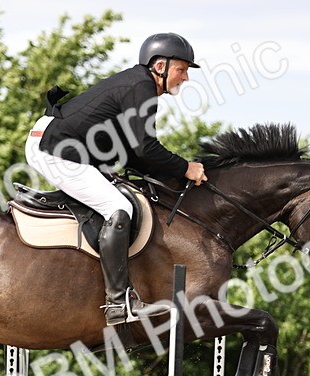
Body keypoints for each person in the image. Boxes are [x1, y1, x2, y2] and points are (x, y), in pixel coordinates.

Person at [25, 33, 208, 326]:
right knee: (119, 209)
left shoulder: (138, 84)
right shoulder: (142, 87)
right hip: (53, 148)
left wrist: (173, 173)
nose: (185, 78)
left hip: (61, 143)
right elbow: (145, 148)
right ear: (160, 66)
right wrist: (184, 167)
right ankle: (117, 302)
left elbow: (133, 153)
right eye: (182, 69)